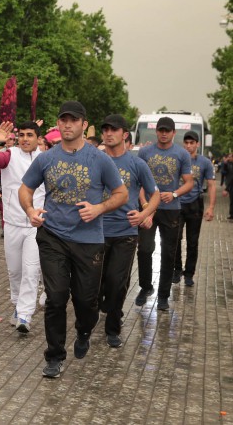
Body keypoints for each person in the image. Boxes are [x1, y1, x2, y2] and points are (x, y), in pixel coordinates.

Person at [19, 101, 128, 378]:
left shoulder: (99, 158)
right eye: (63, 120)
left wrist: (99, 208)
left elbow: (121, 194)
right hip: (53, 235)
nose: (67, 124)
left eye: (73, 120)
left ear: (83, 124)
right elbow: (25, 187)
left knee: (86, 300)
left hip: (88, 239)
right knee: (56, 298)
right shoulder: (47, 158)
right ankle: (54, 355)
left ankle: (84, 329)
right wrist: (31, 210)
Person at [0, 120, 45, 334]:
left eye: (30, 135)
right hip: (13, 224)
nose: (25, 139)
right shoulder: (9, 156)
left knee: (31, 270)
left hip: (36, 224)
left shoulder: (46, 159)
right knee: (15, 271)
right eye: (22, 135)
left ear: (37, 138)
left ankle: (25, 314)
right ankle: (18, 305)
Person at [99, 114, 160, 348]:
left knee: (117, 280)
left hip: (125, 232)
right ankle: (102, 306)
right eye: (105, 129)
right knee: (94, 284)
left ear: (125, 134)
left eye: (113, 129)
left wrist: (145, 214)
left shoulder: (137, 164)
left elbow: (154, 194)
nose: (108, 133)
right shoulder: (95, 160)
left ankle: (113, 327)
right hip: (94, 231)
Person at [135, 116, 193, 310]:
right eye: (161, 130)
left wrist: (174, 193)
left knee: (168, 253)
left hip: (171, 210)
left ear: (174, 133)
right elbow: (139, 182)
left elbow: (189, 182)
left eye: (167, 130)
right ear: (156, 131)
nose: (164, 133)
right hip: (148, 209)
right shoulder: (144, 152)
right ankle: (145, 287)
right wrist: (144, 205)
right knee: (144, 249)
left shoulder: (182, 154)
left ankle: (163, 296)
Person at [174, 131, 216, 286]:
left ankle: (189, 273)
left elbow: (211, 185)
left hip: (195, 204)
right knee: (175, 238)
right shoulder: (177, 160)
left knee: (192, 242)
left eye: (192, 143)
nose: (189, 146)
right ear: (183, 144)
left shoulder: (205, 162)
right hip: (177, 203)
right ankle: (176, 270)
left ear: (197, 144)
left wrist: (211, 207)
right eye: (186, 142)